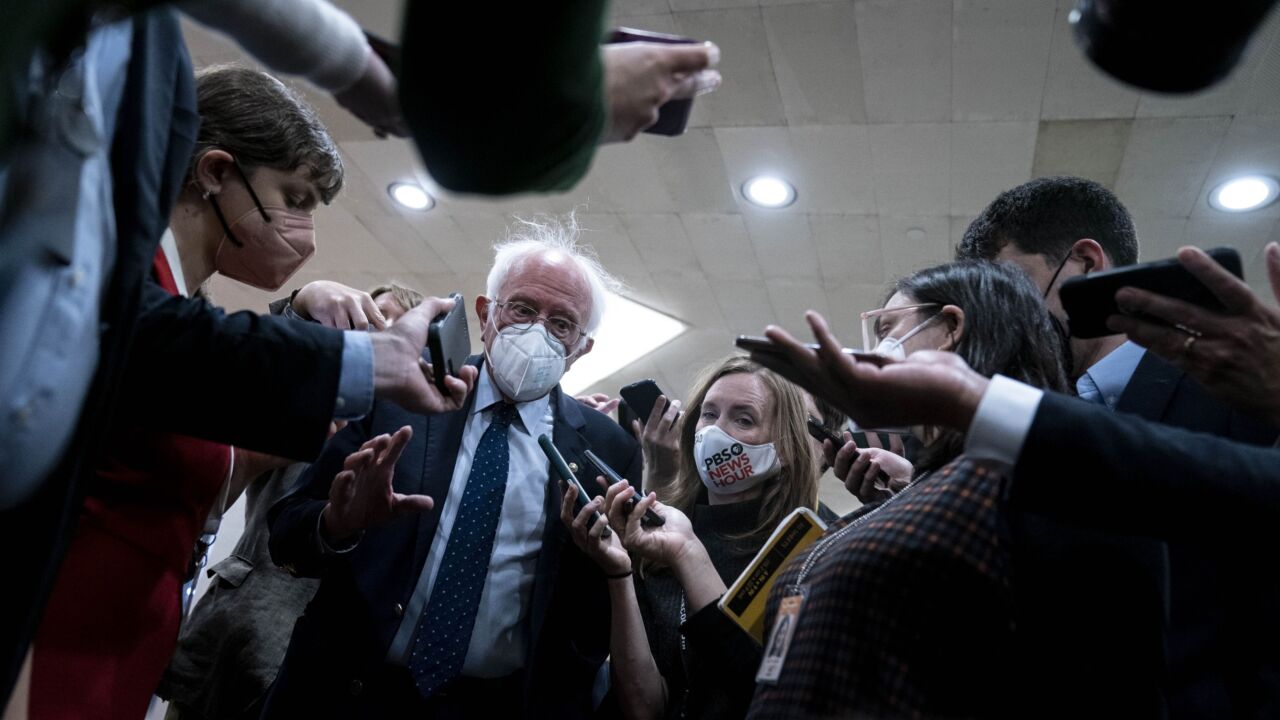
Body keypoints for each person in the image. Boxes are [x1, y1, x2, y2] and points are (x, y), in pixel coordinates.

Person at [746, 244, 1280, 720]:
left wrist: (961, 400)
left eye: (887, 328)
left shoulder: (1053, 489)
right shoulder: (905, 492)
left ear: (952, 326)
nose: (875, 344)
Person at [17, 65, 392, 720]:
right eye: (295, 197)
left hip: (122, 653)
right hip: (48, 651)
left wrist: (251, 459)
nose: (304, 230)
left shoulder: (185, 301)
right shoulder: (125, 284)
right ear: (215, 171)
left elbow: (147, 475)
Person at [265, 217, 641, 718]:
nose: (538, 333)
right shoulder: (402, 393)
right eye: (523, 310)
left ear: (581, 348)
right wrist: (339, 524)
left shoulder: (608, 450)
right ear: (486, 314)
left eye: (561, 324)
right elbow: (286, 536)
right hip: (339, 691)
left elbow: (592, 617)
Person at [956, 176, 1279, 718]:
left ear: (1084, 264)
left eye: (1011, 287)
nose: (1003, 320)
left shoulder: (1233, 383)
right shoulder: (1035, 432)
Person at [160, 280, 429, 720]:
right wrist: (303, 302)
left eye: (399, 330)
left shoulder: (416, 438)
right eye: (374, 322)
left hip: (318, 657)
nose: (384, 339)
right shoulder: (323, 398)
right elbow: (264, 373)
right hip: (235, 623)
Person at [563, 355, 823, 720]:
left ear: (787, 447)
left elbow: (765, 689)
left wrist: (688, 554)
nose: (715, 432)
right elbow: (642, 706)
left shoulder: (807, 551)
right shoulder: (660, 531)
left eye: (744, 419)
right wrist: (620, 572)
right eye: (709, 413)